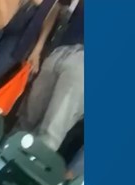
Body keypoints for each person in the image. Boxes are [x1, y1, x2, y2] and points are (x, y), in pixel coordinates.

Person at [17, 0, 83, 150]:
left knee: (50, 134)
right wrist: (39, 49)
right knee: (26, 119)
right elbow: (59, 6)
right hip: (61, 49)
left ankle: (19, 171)